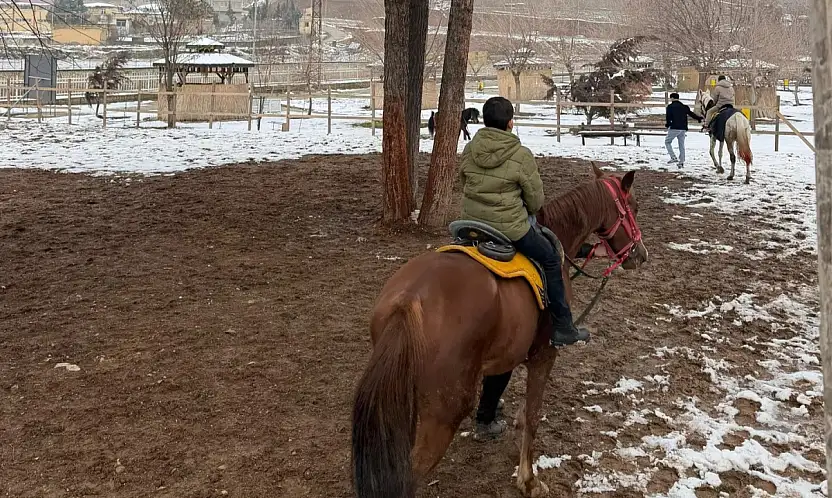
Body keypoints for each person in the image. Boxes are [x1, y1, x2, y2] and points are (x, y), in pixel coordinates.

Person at [459, 96, 590, 352]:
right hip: (510, 229)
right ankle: (563, 327)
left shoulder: (469, 149)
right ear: (510, 123)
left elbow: (464, 181)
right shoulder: (521, 155)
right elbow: (536, 200)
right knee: (551, 258)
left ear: (485, 121)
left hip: (471, 223)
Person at [473, 241, 606, 440]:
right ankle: (563, 325)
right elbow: (531, 211)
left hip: (475, 223)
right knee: (552, 260)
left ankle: (486, 402)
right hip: (511, 223)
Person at [665, 92, 702, 168]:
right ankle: (681, 162)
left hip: (674, 127)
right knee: (681, 145)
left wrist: (668, 124)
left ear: (672, 98)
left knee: (667, 142)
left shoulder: (670, 107)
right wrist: (698, 118)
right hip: (683, 128)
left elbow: (668, 118)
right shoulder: (684, 107)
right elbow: (691, 114)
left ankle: (673, 157)